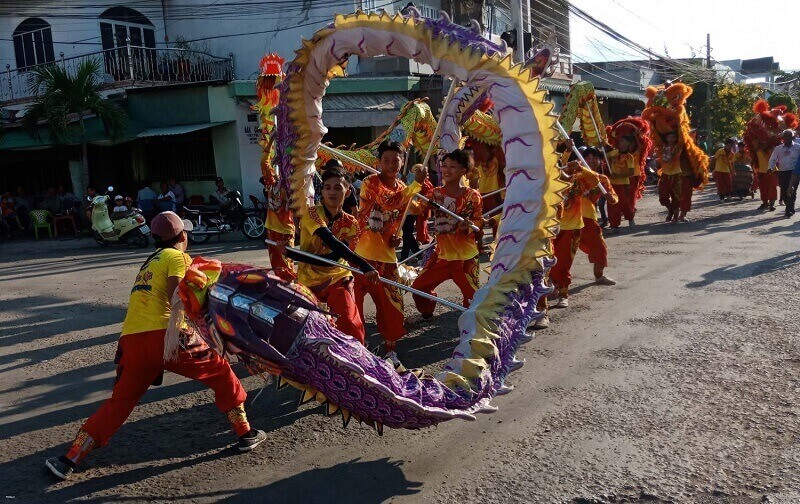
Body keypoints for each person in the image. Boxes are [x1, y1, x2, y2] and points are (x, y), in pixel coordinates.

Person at [44, 211, 266, 480]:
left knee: (120, 402)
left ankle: (70, 459)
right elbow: (178, 293)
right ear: (182, 236)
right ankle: (246, 434)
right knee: (221, 373)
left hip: (133, 341)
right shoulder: (177, 257)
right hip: (169, 337)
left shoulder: (148, 264)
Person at [353, 141, 427, 366]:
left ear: (402, 162)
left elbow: (412, 210)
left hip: (387, 258)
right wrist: (415, 186)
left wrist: (399, 238)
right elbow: (387, 202)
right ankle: (355, 348)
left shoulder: (402, 188)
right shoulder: (370, 182)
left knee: (392, 308)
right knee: (352, 308)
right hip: (359, 257)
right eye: (386, 160)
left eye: (395, 160)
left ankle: (390, 349)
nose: (390, 164)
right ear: (379, 162)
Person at [286, 167, 379, 343]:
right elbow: (330, 241)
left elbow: (335, 258)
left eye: (338, 187)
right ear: (321, 191)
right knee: (300, 331)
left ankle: (358, 359)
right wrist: (365, 265)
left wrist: (295, 255)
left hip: (338, 276)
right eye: (327, 187)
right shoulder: (312, 213)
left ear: (348, 190)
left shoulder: (351, 222)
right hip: (308, 279)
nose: (332, 192)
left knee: (350, 322)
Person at [408, 150, 482, 324]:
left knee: (473, 299)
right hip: (441, 256)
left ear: (464, 170)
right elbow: (415, 209)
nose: (446, 170)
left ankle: (471, 331)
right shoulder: (436, 194)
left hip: (465, 258)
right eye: (444, 166)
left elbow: (479, 222)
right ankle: (426, 313)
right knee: (418, 287)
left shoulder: (473, 196)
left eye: (453, 166)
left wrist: (469, 226)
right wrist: (415, 185)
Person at [580, 147, 619, 285]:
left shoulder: (602, 179)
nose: (591, 161)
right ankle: (557, 287)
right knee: (561, 254)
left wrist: (610, 198)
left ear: (600, 160)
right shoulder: (574, 174)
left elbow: (614, 197)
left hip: (588, 218)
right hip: (567, 219)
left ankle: (599, 276)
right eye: (588, 158)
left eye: (595, 158)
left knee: (600, 249)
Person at [263, 166, 296, 282]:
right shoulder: (271, 184)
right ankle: (280, 287)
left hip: (286, 230)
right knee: (276, 264)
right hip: (272, 229)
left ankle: (291, 289)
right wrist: (267, 149)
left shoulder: (291, 187)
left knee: (287, 264)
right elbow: (264, 164)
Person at [606, 135, 638, 233]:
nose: (621, 143)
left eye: (623, 141)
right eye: (620, 141)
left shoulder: (629, 157)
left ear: (628, 143)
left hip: (623, 184)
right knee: (612, 204)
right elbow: (604, 154)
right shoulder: (613, 153)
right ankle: (614, 226)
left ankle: (630, 217)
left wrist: (618, 175)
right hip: (612, 184)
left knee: (624, 204)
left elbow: (631, 172)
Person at [768, 130, 800, 216]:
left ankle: (789, 209)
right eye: (785, 136)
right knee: (784, 191)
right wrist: (770, 167)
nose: (787, 138)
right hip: (782, 172)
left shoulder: (798, 147)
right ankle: (789, 205)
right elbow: (773, 159)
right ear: (783, 138)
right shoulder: (778, 148)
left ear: (793, 137)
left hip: (794, 173)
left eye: (789, 136)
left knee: (792, 190)